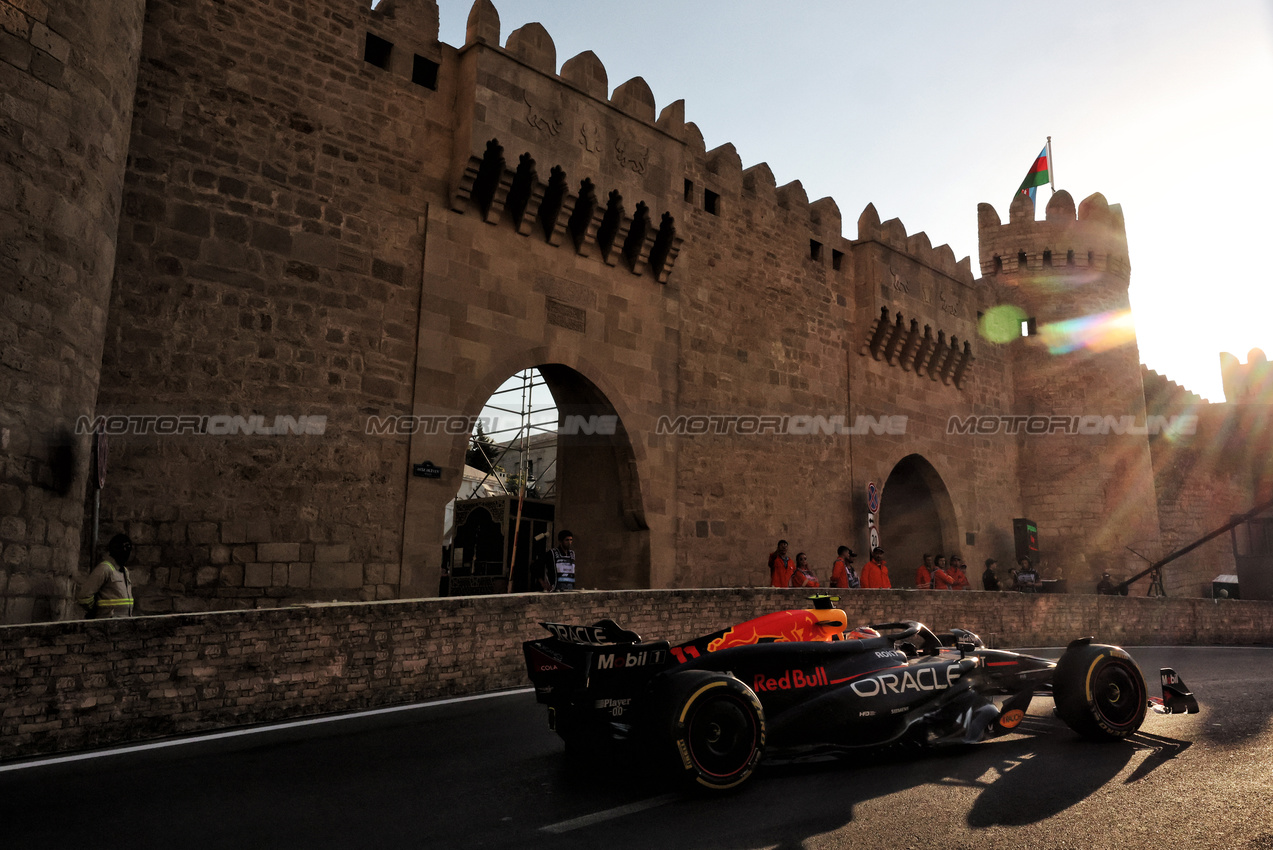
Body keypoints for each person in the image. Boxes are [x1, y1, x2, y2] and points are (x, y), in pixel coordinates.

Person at [76, 533, 135, 618]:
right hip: (106, 624)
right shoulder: (104, 569)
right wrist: (96, 610)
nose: (126, 553)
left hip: (124, 623)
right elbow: (84, 596)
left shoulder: (124, 571)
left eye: (128, 549)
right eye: (123, 549)